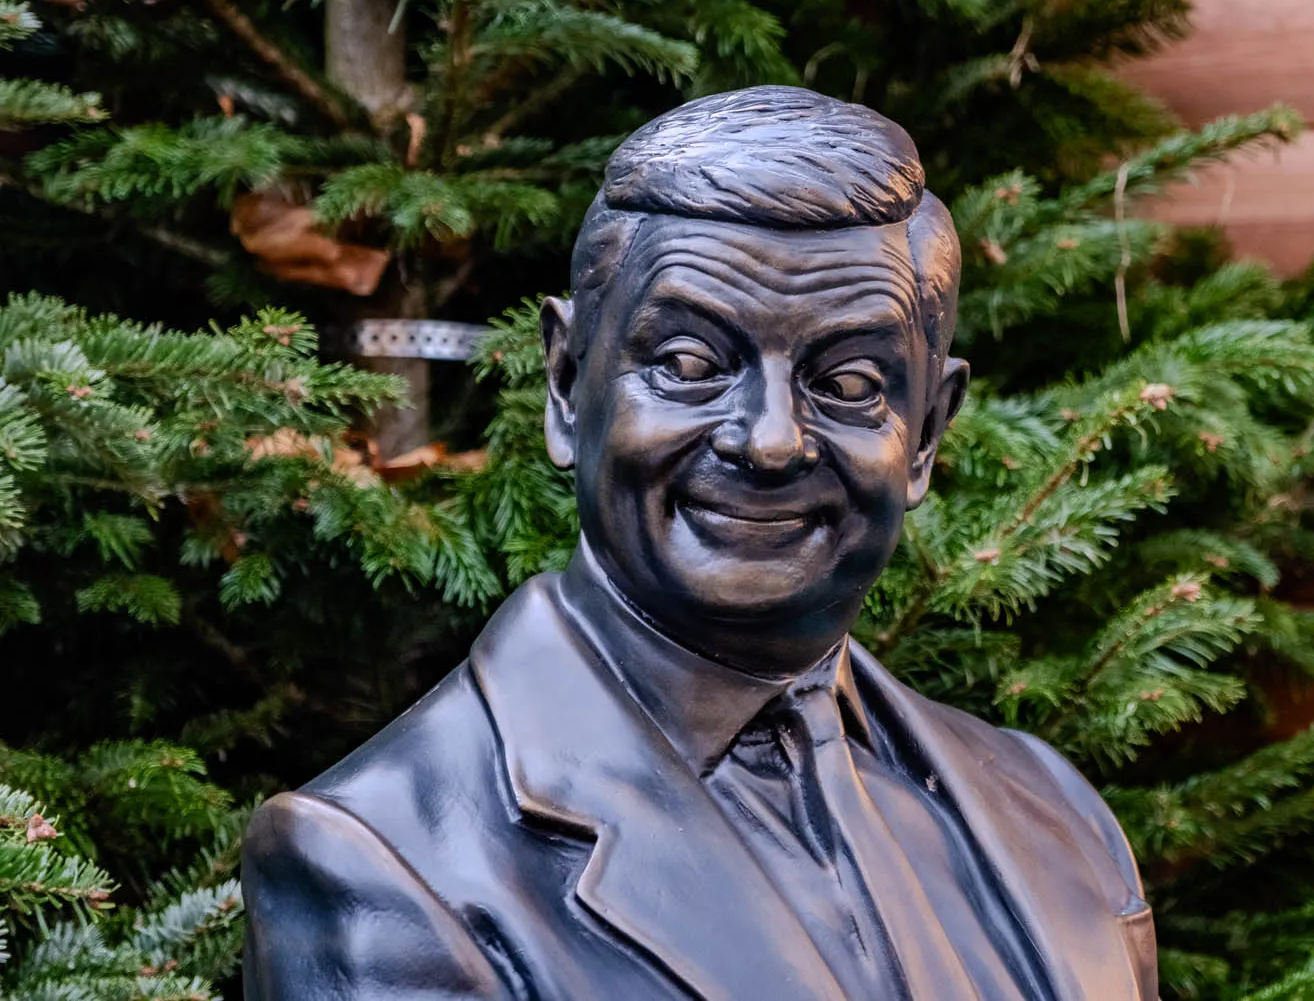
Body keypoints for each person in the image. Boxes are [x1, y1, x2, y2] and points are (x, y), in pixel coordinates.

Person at [240, 86, 1159, 1000]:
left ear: (923, 434)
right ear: (565, 386)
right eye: (689, 365)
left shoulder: (1060, 820)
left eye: (846, 382)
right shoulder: (384, 864)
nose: (768, 441)